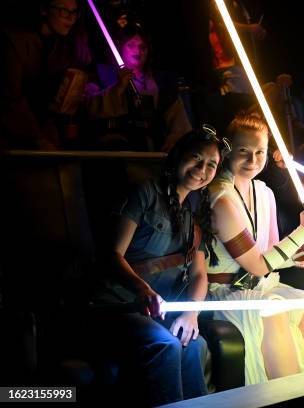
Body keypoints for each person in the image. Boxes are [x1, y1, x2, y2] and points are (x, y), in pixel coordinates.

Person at [92, 127, 229, 406]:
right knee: (165, 344)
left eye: (211, 165)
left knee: (194, 344)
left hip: (155, 313)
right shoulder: (144, 193)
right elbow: (113, 254)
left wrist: (191, 313)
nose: (202, 169)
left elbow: (200, 274)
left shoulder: (192, 218)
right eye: (196, 158)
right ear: (178, 156)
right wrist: (142, 289)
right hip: (119, 307)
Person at [207, 114, 304, 385]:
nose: (253, 160)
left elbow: (272, 257)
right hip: (228, 291)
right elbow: (256, 265)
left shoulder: (264, 191)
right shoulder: (219, 197)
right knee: (274, 309)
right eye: (244, 151)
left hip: (263, 286)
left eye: (260, 152)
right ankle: (288, 394)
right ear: (229, 149)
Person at [86, 22, 192, 152]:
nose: (138, 51)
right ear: (120, 48)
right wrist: (117, 89)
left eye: (143, 47)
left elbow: (180, 124)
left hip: (156, 152)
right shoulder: (102, 75)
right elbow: (89, 109)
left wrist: (174, 141)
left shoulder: (162, 83)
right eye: (131, 45)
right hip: (117, 152)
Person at [0, 0, 91, 150]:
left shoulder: (62, 47)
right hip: (13, 138)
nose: (70, 17)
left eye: (74, 12)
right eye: (64, 10)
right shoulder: (16, 42)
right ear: (44, 9)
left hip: (44, 133)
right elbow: (11, 99)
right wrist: (39, 138)